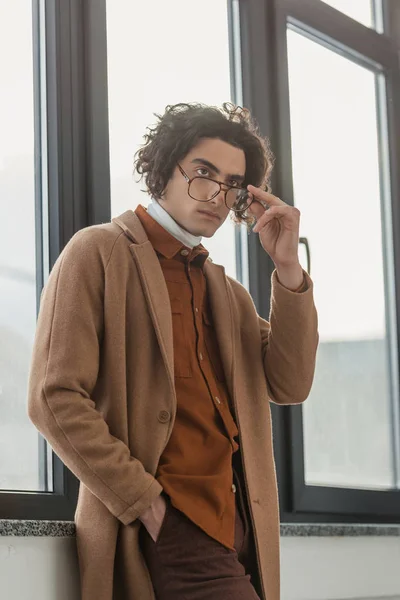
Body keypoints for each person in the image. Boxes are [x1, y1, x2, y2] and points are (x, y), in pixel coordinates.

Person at [27, 102, 319, 600]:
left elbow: (290, 384)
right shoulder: (97, 253)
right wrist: (148, 506)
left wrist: (288, 267)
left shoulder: (230, 296)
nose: (216, 195)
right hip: (171, 528)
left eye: (232, 185)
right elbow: (53, 399)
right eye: (203, 173)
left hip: (239, 531)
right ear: (164, 168)